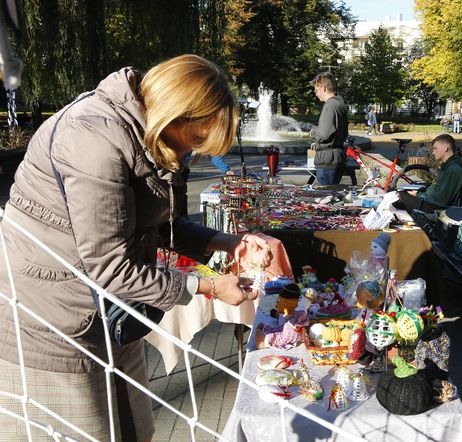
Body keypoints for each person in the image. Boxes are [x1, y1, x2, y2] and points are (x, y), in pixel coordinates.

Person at [0, 54, 273, 441]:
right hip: (51, 318)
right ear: (174, 115)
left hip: (112, 311)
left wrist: (228, 243)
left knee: (135, 428)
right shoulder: (92, 139)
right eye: (196, 140)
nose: (192, 154)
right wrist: (207, 287)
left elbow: (156, 225)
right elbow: (110, 266)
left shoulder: (148, 134)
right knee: (86, 431)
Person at [395, 134, 462, 212]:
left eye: (435, 149)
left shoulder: (453, 169)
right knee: (399, 193)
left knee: (396, 196)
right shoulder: (449, 165)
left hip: (438, 209)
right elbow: (441, 191)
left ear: (445, 148)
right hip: (434, 204)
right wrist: (424, 191)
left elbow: (441, 199)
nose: (433, 152)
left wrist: (418, 194)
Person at [309, 72, 348, 185]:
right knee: (331, 196)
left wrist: (314, 132)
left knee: (325, 199)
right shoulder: (339, 105)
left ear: (324, 88)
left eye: (316, 90)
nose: (315, 94)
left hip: (327, 161)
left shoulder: (330, 106)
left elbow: (324, 135)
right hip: (335, 157)